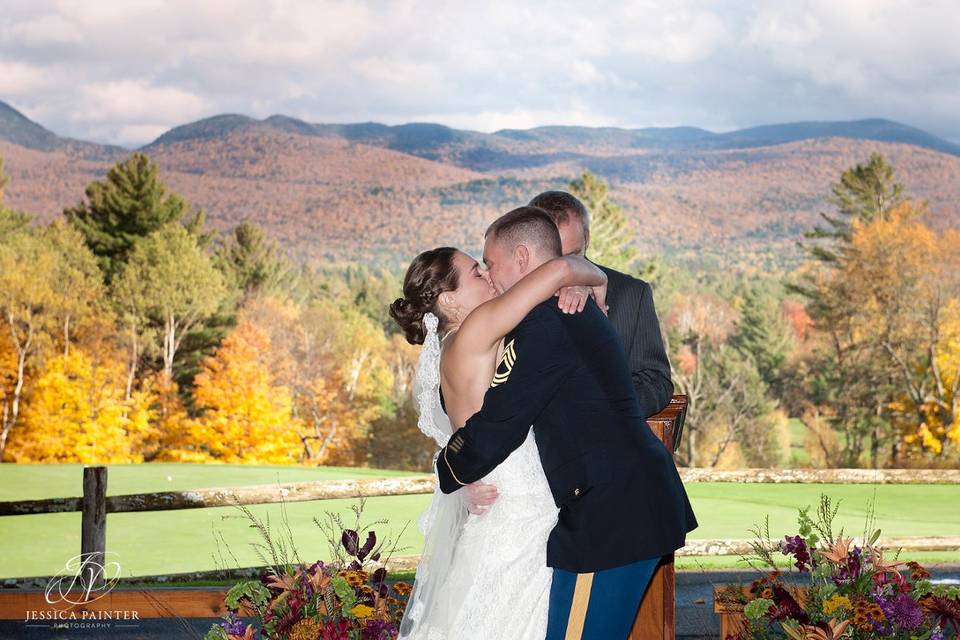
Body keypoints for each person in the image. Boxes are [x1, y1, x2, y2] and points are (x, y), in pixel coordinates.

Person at [436, 207, 697, 640]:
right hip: (619, 508)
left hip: (612, 517)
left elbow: (501, 422)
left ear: (521, 257)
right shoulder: (555, 311)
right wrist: (586, 275)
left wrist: (447, 468)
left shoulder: (548, 323)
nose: (490, 276)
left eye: (492, 264)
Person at [390, 218, 608, 640]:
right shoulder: (476, 329)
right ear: (449, 300)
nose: (488, 275)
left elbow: (453, 436)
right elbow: (558, 271)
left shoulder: (451, 349)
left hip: (498, 500)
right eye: (476, 271)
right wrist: (594, 278)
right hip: (522, 505)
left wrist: (463, 479)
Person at [529, 190, 674, 419]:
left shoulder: (632, 295)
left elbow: (656, 381)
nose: (565, 268)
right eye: (554, 260)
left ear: (586, 238)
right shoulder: (513, 298)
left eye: (573, 255)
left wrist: (605, 405)